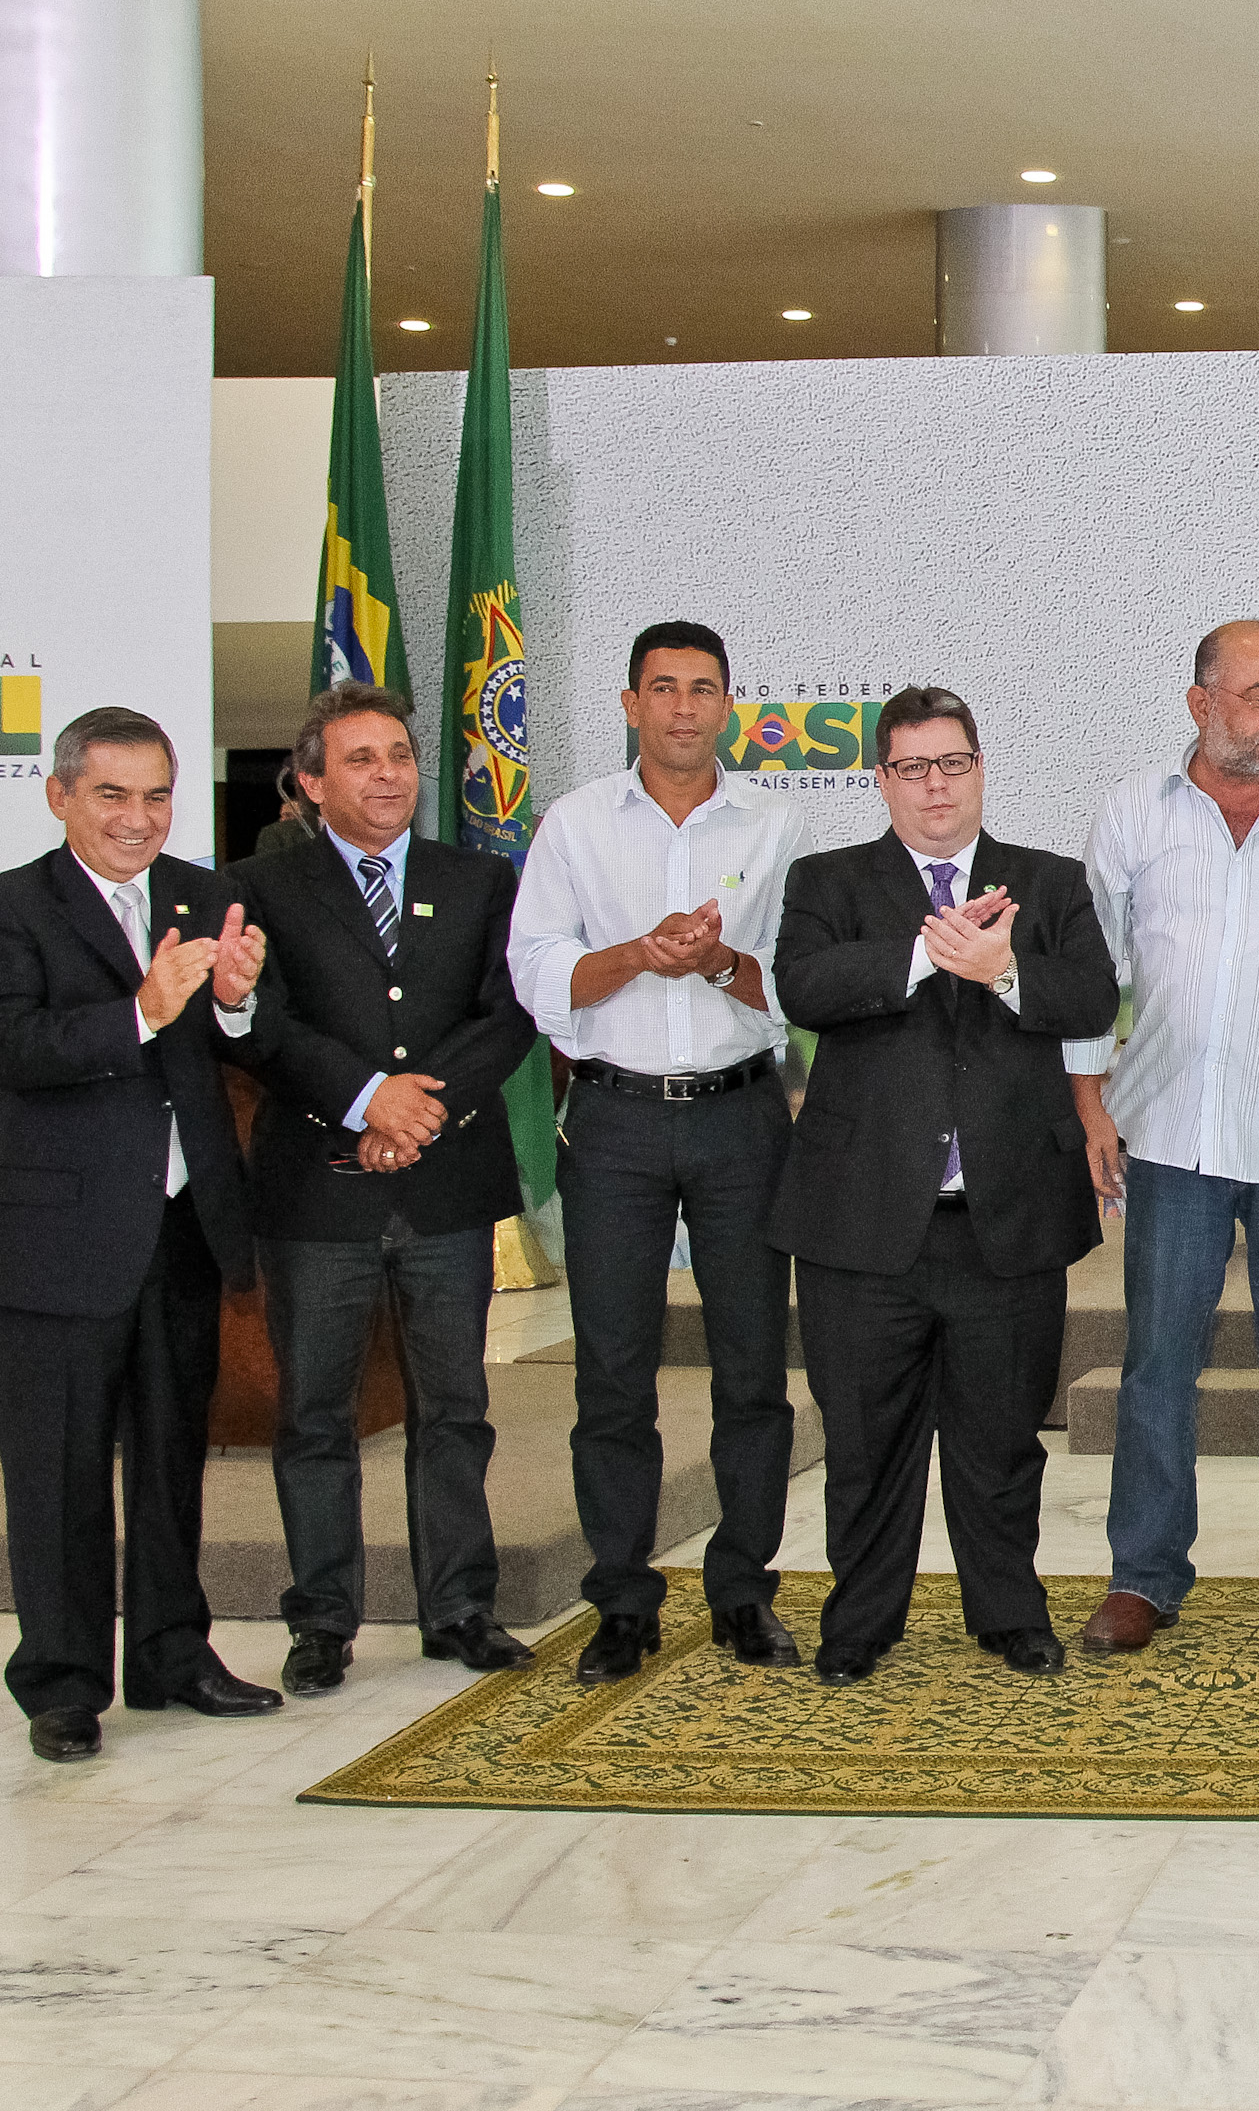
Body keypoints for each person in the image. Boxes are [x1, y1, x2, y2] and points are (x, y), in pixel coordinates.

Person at [769, 687, 1117, 1685]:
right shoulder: (827, 882)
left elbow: (1091, 994)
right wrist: (926, 950)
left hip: (1004, 1221)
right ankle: (859, 1623)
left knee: (1001, 1443)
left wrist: (1005, 970)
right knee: (865, 1443)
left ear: (979, 769)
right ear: (881, 779)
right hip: (862, 1225)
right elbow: (805, 987)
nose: (934, 786)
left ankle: (1008, 1612)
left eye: (952, 764)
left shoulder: (1044, 884)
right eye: (913, 768)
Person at [1068, 621, 1259, 1659]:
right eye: (1258, 697)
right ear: (1200, 704)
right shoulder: (1131, 813)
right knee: (1158, 1365)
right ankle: (1143, 1575)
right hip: (1163, 1131)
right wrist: (1087, 1101)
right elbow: (1085, 969)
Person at [509, 621, 807, 1687]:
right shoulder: (577, 824)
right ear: (630, 704)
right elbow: (536, 974)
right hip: (616, 1121)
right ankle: (622, 1602)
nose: (684, 707)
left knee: (752, 1373)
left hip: (740, 1120)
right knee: (613, 1376)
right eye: (664, 689)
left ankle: (743, 1591)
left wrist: (719, 960)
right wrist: (641, 953)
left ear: (729, 706)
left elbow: (796, 982)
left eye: (704, 690)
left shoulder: (774, 824)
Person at [229, 683, 539, 1696]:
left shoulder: (481, 879)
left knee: (456, 1408)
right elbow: (263, 1026)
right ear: (312, 781)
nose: (388, 775)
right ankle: (321, 1621)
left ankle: (459, 1608)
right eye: (360, 759)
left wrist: (419, 1112)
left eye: (400, 755)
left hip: (446, 1191)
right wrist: (365, 1101)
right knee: (315, 1417)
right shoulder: (261, 891)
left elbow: (507, 1015)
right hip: (318, 1193)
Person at [0, 707, 280, 1760]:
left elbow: (235, 1042)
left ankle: (171, 1653)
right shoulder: (15, 906)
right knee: (59, 1472)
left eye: (156, 794)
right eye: (112, 794)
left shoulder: (205, 896)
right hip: (59, 1240)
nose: (138, 816)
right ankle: (63, 1683)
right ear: (61, 794)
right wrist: (142, 1011)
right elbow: (16, 1044)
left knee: (169, 1460)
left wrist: (238, 1006)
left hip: (180, 1227)